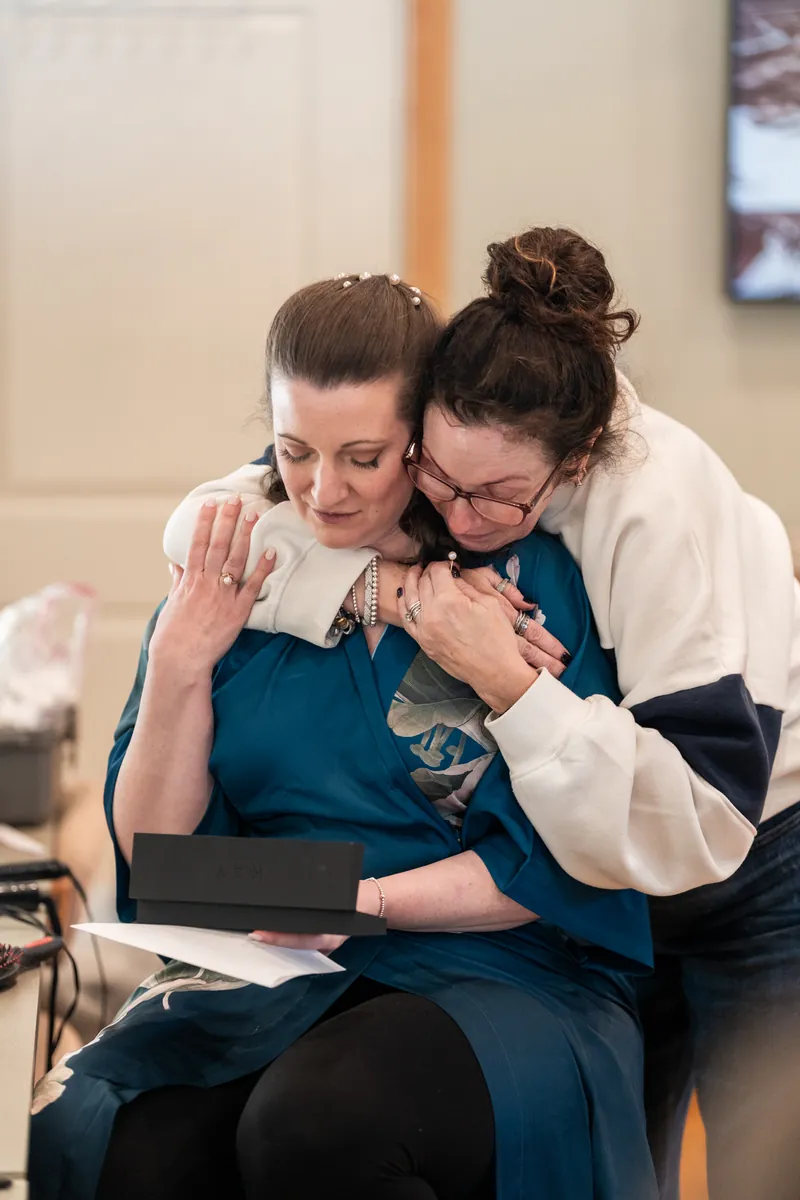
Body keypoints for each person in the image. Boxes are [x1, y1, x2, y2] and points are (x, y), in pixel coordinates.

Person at [164, 228, 800, 1200]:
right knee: (633, 1159)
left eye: (498, 499)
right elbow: (203, 524)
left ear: (576, 459)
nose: (459, 523)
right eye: (436, 479)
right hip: (599, 873)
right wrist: (392, 590)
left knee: (765, 1164)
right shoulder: (452, 415)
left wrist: (509, 682)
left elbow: (698, 822)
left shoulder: (658, 507)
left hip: (750, 849)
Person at [29, 272, 658, 1200]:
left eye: (364, 457)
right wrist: (178, 665)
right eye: (296, 452)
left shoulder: (520, 589)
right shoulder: (240, 572)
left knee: (317, 1124)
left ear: (425, 442)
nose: (323, 492)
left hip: (501, 968)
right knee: (113, 1132)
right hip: (276, 960)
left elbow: (559, 854)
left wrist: (363, 902)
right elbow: (154, 846)